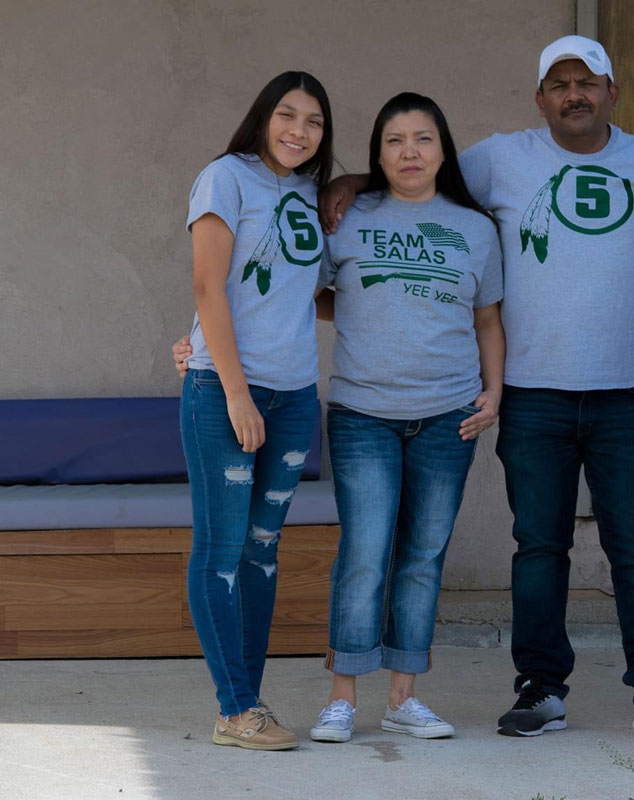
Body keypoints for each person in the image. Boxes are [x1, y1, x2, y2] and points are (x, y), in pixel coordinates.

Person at [320, 35, 634, 741]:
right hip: (533, 395)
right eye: (558, 83)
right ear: (540, 98)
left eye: (587, 81)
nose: (573, 93)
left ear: (613, 91)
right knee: (538, 547)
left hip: (626, 396)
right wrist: (353, 183)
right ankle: (541, 689)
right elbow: (420, 173)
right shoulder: (500, 159)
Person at [175, 92, 505, 741]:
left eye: (424, 139)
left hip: (432, 412)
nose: (409, 151)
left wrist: (494, 390)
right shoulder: (311, 204)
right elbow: (251, 286)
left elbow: (485, 316)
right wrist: (205, 349)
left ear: (444, 149)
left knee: (415, 555)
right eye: (394, 140)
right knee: (359, 551)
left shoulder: (465, 225)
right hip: (355, 410)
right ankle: (306, 700)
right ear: (377, 152)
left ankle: (401, 697)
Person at [180, 71, 333, 750]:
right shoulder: (226, 177)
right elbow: (207, 286)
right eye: (287, 115)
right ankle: (237, 709)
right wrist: (237, 391)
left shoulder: (310, 192)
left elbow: (309, 294)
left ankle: (250, 702)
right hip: (226, 392)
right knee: (220, 550)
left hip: (296, 395)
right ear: (262, 117)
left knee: (261, 551)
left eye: (314, 122)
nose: (298, 131)